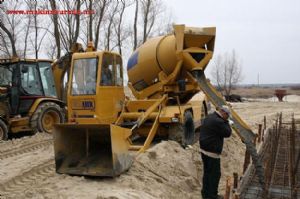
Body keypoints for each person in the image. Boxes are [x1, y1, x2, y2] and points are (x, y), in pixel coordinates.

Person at [199, 105, 233, 199]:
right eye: (227, 116)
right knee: (215, 175)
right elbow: (228, 133)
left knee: (207, 173)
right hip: (211, 152)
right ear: (224, 113)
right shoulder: (219, 121)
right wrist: (227, 122)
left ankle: (205, 194)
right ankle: (212, 196)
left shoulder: (210, 116)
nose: (227, 118)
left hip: (204, 150)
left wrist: (225, 121)